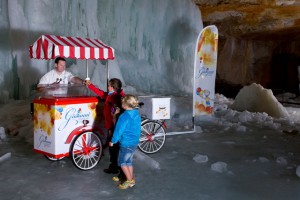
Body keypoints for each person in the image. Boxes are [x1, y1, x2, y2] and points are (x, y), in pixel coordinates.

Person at [86, 78, 126, 180]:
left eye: (109, 85)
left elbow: (117, 114)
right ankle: (115, 166)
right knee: (113, 147)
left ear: (113, 87)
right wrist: (90, 85)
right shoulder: (111, 95)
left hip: (114, 126)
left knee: (115, 148)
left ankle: (118, 169)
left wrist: (113, 128)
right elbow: (101, 93)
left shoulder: (116, 98)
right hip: (111, 125)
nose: (107, 86)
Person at [109, 94, 141, 189]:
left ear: (125, 105)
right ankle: (131, 179)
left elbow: (118, 130)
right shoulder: (136, 113)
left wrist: (113, 141)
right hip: (134, 142)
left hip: (126, 143)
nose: (121, 103)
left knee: (122, 163)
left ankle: (129, 180)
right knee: (128, 162)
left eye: (122, 102)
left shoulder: (124, 116)